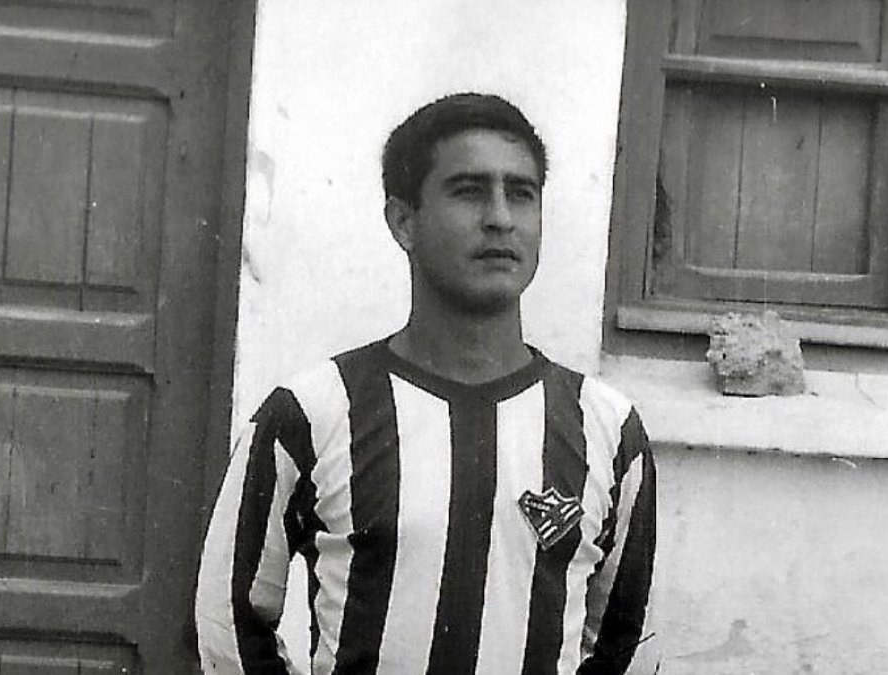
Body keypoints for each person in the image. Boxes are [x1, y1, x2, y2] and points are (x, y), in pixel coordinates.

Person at [196, 93, 656, 675]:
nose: (500, 217)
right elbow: (227, 620)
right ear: (403, 221)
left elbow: (613, 637)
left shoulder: (608, 429)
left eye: (522, 193)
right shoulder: (312, 413)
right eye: (469, 191)